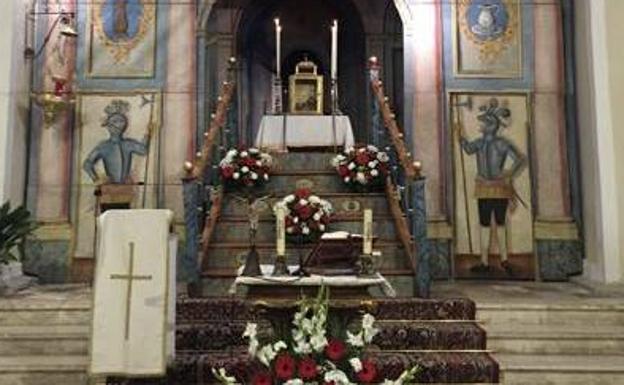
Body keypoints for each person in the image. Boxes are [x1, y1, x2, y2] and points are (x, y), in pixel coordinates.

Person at [458, 98, 526, 275]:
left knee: (501, 222)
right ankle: (484, 261)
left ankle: (504, 260)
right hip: (483, 186)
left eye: (486, 123)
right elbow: (467, 149)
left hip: (498, 186)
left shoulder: (502, 143)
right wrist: (461, 135)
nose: (482, 126)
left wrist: (509, 173)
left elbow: (520, 159)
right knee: (484, 223)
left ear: (493, 125)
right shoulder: (480, 143)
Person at [83, 100, 150, 184]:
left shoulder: (128, 144)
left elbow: (143, 150)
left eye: (121, 121)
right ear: (108, 126)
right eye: (115, 122)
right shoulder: (103, 146)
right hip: (109, 187)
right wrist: (96, 179)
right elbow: (87, 164)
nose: (118, 125)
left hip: (126, 188)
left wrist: (147, 133)